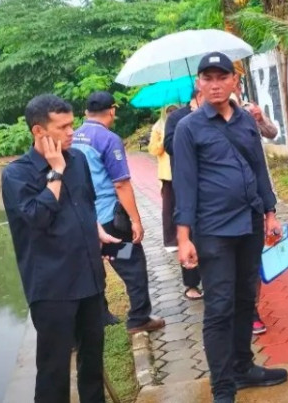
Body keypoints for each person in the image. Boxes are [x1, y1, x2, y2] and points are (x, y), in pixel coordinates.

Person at [174, 52, 288, 403]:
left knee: (244, 299)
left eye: (221, 77)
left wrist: (270, 213)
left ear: (234, 81)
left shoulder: (244, 121)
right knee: (220, 307)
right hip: (213, 232)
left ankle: (243, 367)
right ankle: (223, 387)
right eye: (207, 78)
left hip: (251, 225)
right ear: (199, 84)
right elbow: (185, 186)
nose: (215, 84)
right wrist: (183, 239)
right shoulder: (188, 128)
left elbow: (258, 171)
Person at [1, 94, 120, 403]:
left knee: (92, 361)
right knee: (54, 372)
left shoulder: (78, 159)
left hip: (89, 278)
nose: (71, 133)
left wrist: (97, 231)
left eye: (72, 124)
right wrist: (55, 172)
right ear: (39, 132)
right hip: (52, 288)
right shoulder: (16, 175)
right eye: (63, 127)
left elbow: (85, 203)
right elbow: (37, 218)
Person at [73, 91, 165, 335]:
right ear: (112, 111)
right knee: (131, 260)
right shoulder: (107, 139)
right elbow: (121, 184)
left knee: (94, 266)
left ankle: (100, 315)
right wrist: (136, 220)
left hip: (83, 220)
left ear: (85, 113)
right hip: (109, 221)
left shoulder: (73, 137)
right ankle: (139, 318)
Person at [232, 79, 277, 335]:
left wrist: (260, 119)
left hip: (257, 192)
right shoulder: (204, 117)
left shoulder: (250, 109)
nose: (235, 87)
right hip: (224, 202)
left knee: (253, 256)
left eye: (236, 81)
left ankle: (252, 310)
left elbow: (272, 133)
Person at [164, 89, 204, 301]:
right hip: (186, 184)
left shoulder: (213, 115)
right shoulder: (177, 118)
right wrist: (192, 121)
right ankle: (191, 283)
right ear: (198, 94)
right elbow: (169, 146)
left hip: (210, 186)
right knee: (190, 232)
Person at [148, 105, 178, 252]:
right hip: (168, 174)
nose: (172, 113)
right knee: (169, 208)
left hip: (183, 171)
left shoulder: (184, 122)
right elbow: (153, 150)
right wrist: (164, 138)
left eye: (174, 110)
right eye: (169, 111)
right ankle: (171, 240)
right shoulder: (158, 127)